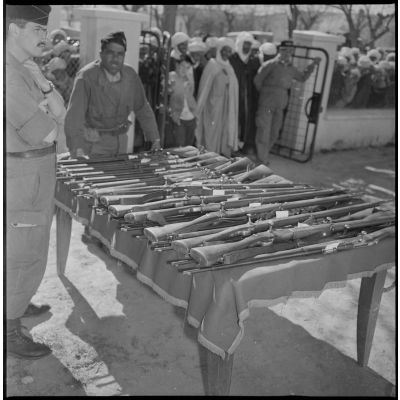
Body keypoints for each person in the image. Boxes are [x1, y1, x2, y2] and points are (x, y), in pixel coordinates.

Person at [5, 4, 67, 359]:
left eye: (44, 30)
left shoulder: (26, 68)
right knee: (20, 252)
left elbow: (60, 112)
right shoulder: (8, 76)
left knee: (29, 246)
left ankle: (15, 302)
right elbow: (48, 132)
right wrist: (49, 113)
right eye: (37, 30)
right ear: (14, 30)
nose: (43, 37)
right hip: (22, 175)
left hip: (35, 171)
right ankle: (8, 329)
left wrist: (44, 84)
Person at [64, 31, 161, 158]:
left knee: (121, 170)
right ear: (101, 54)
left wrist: (154, 139)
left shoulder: (130, 75)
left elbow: (142, 108)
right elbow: (74, 117)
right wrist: (76, 148)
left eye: (120, 54)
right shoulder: (86, 77)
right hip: (94, 145)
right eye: (110, 53)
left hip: (120, 142)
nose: (115, 58)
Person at [253, 40, 320, 165]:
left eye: (290, 51)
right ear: (280, 51)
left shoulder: (291, 68)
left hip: (280, 104)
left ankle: (263, 155)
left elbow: (302, 77)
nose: (287, 53)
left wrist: (312, 65)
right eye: (284, 50)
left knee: (274, 132)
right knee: (263, 131)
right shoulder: (270, 65)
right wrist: (267, 93)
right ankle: (261, 159)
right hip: (267, 104)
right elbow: (257, 81)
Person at [195, 37, 239, 157]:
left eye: (229, 51)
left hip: (226, 105)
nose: (226, 53)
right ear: (220, 50)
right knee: (211, 130)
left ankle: (221, 154)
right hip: (212, 104)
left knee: (224, 128)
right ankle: (209, 154)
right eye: (224, 50)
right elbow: (205, 87)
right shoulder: (212, 64)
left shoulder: (229, 67)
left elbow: (234, 85)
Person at [229, 31, 258, 156]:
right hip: (233, 96)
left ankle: (241, 146)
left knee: (245, 121)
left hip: (247, 98)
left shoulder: (253, 61)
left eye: (249, 44)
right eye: (245, 44)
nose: (247, 47)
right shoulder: (232, 59)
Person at [167, 59, 197, 147]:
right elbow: (167, 90)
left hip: (191, 116)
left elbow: (191, 94)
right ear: (177, 65)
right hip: (179, 117)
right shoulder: (172, 76)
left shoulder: (189, 78)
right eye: (182, 66)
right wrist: (170, 86)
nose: (184, 69)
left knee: (189, 146)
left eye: (187, 67)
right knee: (180, 146)